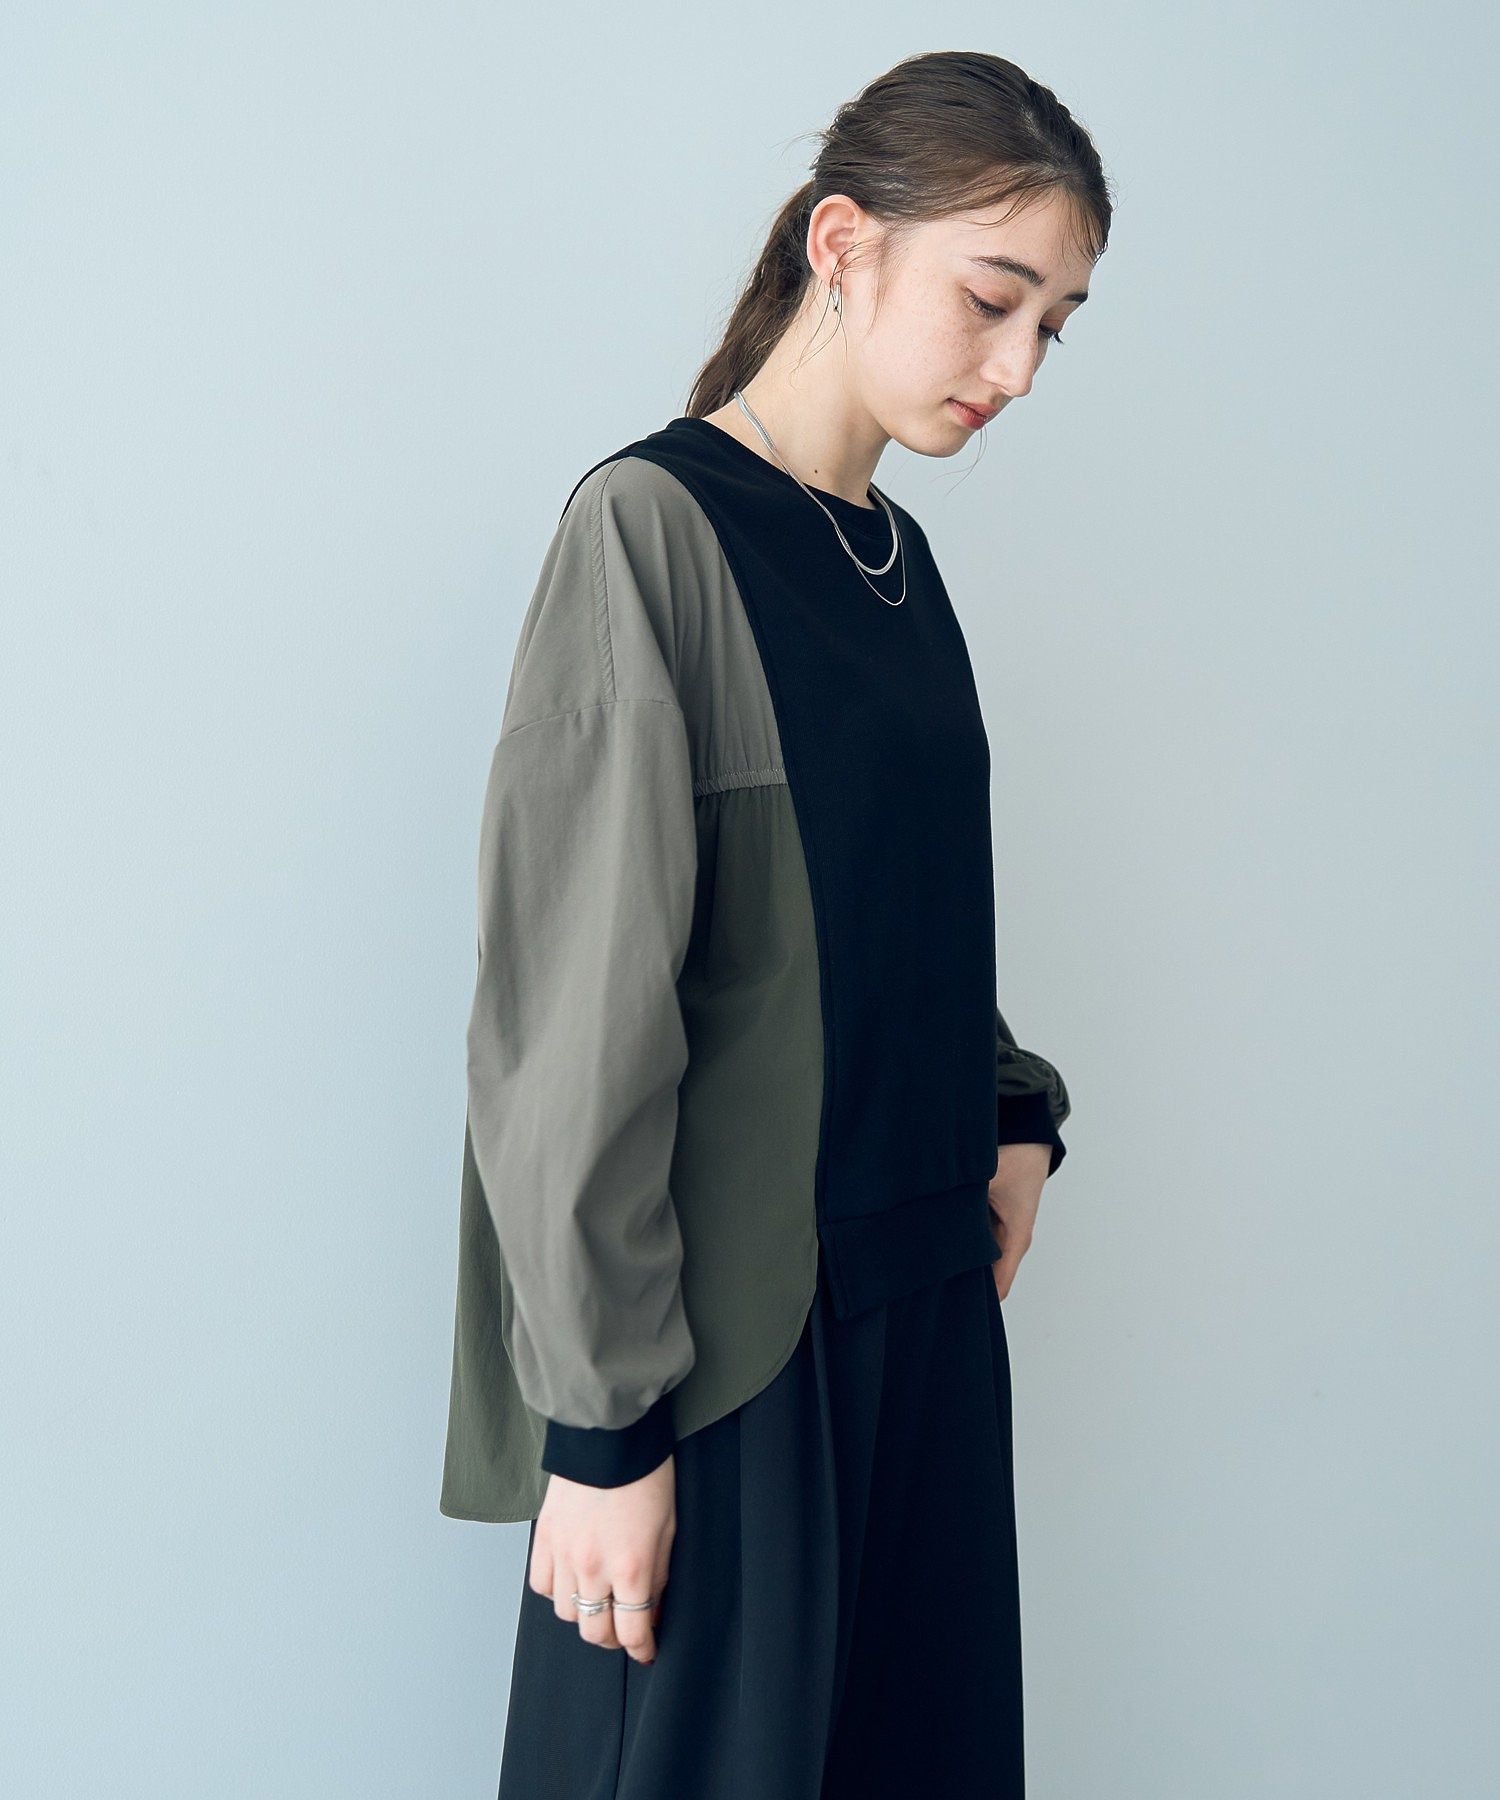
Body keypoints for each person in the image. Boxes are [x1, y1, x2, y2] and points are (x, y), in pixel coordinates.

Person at [440, 47, 1111, 1800]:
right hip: (743, 1347)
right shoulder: (652, 533)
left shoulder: (896, 557)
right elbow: (570, 1024)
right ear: (842, 244)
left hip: (926, 1310)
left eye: (1055, 326)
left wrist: (1008, 1103)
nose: (1018, 369)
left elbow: (892, 895)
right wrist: (600, 1433)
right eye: (993, 299)